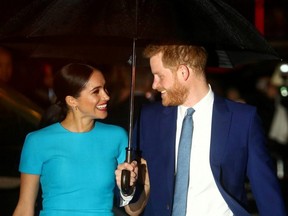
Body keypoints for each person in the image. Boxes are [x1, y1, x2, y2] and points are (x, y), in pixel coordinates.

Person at [116, 45, 287, 215]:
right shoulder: (149, 118)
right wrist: (128, 186)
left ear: (183, 73)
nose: (154, 85)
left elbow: (267, 193)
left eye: (159, 76)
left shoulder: (242, 119)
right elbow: (137, 201)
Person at [12, 63, 138, 216]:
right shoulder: (37, 141)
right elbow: (25, 208)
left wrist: (135, 185)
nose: (106, 96)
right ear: (72, 101)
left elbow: (133, 209)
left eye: (105, 88)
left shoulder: (117, 136)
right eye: (96, 91)